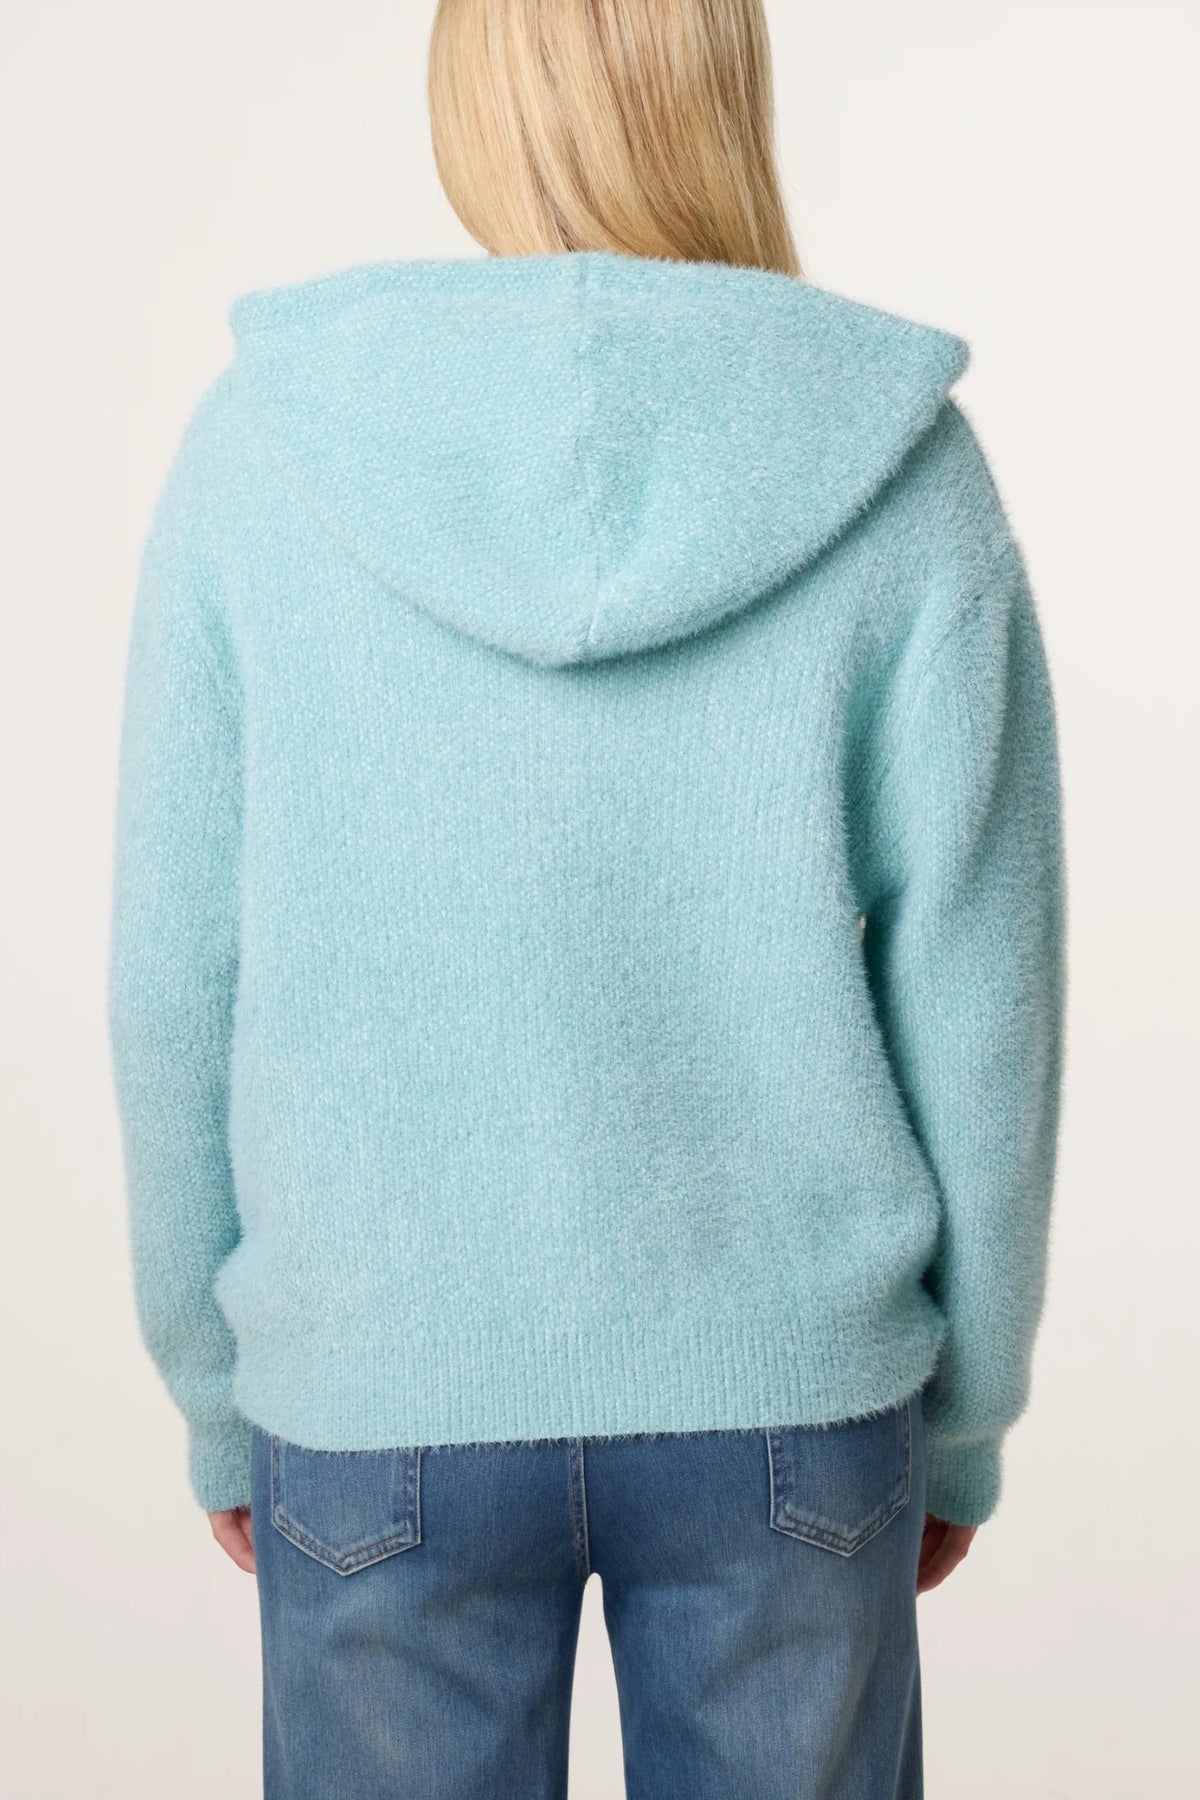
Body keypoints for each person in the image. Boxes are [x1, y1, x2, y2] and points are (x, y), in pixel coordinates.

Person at [107, 1, 1066, 1795]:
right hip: (791, 1390)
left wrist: (218, 1392)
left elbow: (176, 975)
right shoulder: (902, 471)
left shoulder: (265, 457)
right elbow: (984, 997)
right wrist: (969, 1418)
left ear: (476, 104)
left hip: (377, 1385)